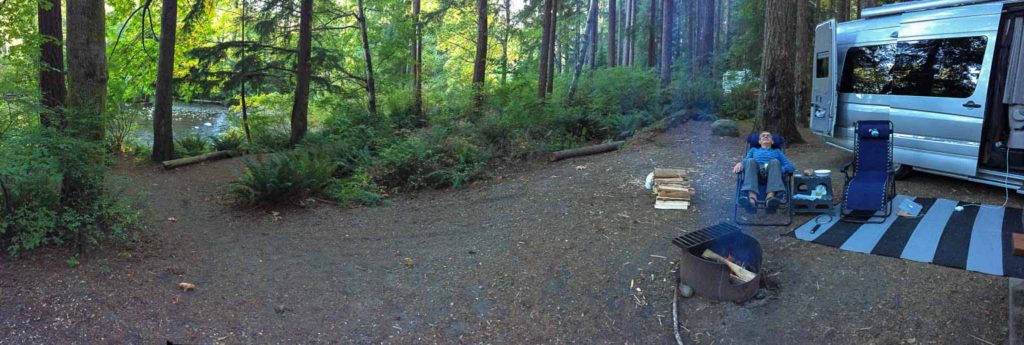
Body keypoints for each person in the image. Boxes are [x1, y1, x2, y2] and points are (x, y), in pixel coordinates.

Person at [731, 131, 795, 209]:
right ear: (759, 141)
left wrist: (779, 169)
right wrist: (740, 164)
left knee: (775, 162)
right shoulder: (753, 150)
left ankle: (770, 199)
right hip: (755, 174)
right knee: (750, 161)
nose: (765, 136)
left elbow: (791, 166)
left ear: (772, 141)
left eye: (768, 136)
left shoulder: (777, 152)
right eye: (763, 136)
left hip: (773, 175)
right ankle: (751, 199)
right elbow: (745, 161)